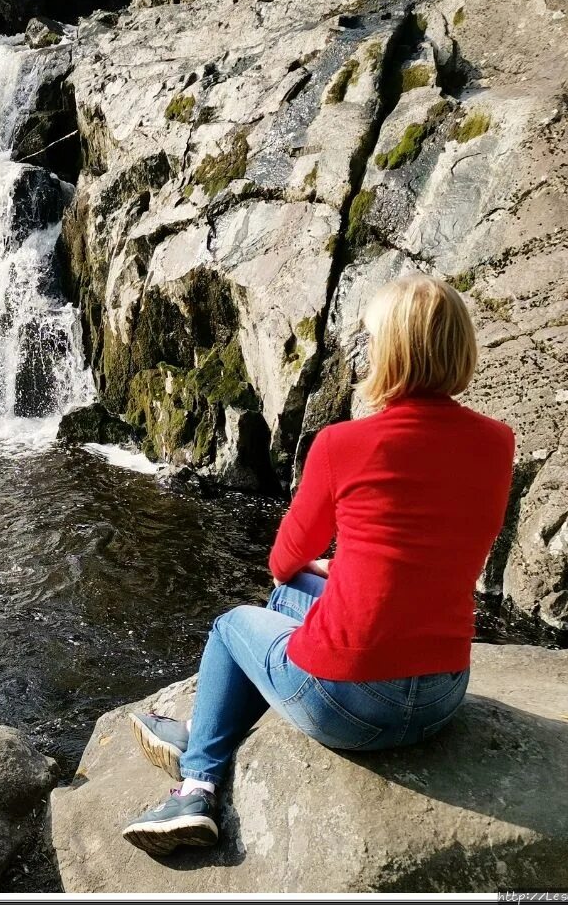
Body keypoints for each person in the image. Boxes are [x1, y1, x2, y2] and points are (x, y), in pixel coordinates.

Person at [121, 273, 516, 856]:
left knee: (235, 626)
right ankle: (207, 731)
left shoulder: (341, 444)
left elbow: (283, 560)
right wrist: (349, 568)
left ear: (390, 352)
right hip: (439, 697)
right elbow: (431, 544)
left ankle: (197, 782)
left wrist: (326, 563)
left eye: (369, 340)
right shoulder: (497, 442)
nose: (362, 351)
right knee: (297, 594)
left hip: (348, 705)